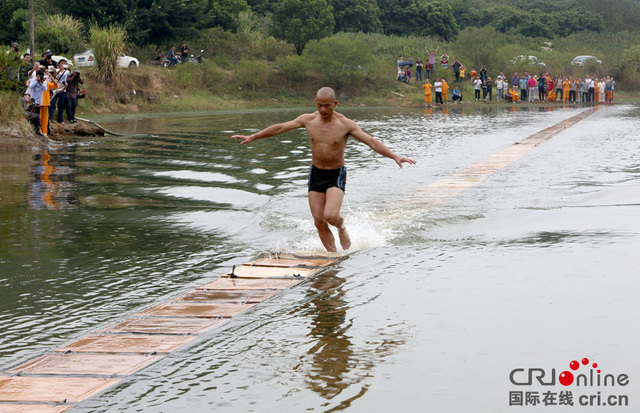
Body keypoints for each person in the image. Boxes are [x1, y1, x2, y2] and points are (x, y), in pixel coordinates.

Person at [231, 87, 416, 252]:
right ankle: (333, 256)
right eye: (320, 105)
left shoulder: (346, 124)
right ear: (315, 103)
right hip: (316, 173)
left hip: (336, 173)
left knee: (330, 216)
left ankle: (342, 227)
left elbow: (371, 141)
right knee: (319, 221)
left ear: (335, 104)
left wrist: (395, 156)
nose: (323, 110)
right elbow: (280, 128)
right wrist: (254, 136)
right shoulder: (308, 120)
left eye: (327, 105)